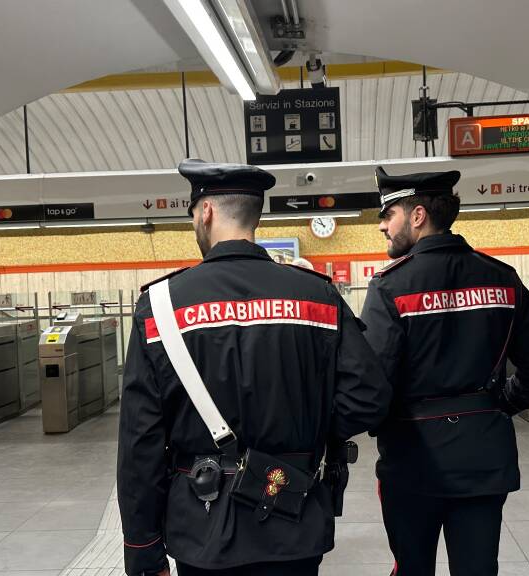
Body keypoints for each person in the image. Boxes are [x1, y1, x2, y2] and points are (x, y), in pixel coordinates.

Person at [118, 159, 391, 576]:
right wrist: (310, 431)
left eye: (194, 214)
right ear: (255, 216)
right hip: (291, 508)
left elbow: (141, 443)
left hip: (201, 523)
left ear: (205, 211)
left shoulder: (159, 308)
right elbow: (369, 397)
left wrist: (143, 549)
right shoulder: (317, 296)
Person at [360, 166, 529, 576]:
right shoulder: (501, 278)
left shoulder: (390, 287)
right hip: (484, 455)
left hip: (413, 457)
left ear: (417, 215)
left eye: (388, 214)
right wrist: (503, 400)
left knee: (413, 566)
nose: (383, 226)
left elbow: (370, 383)